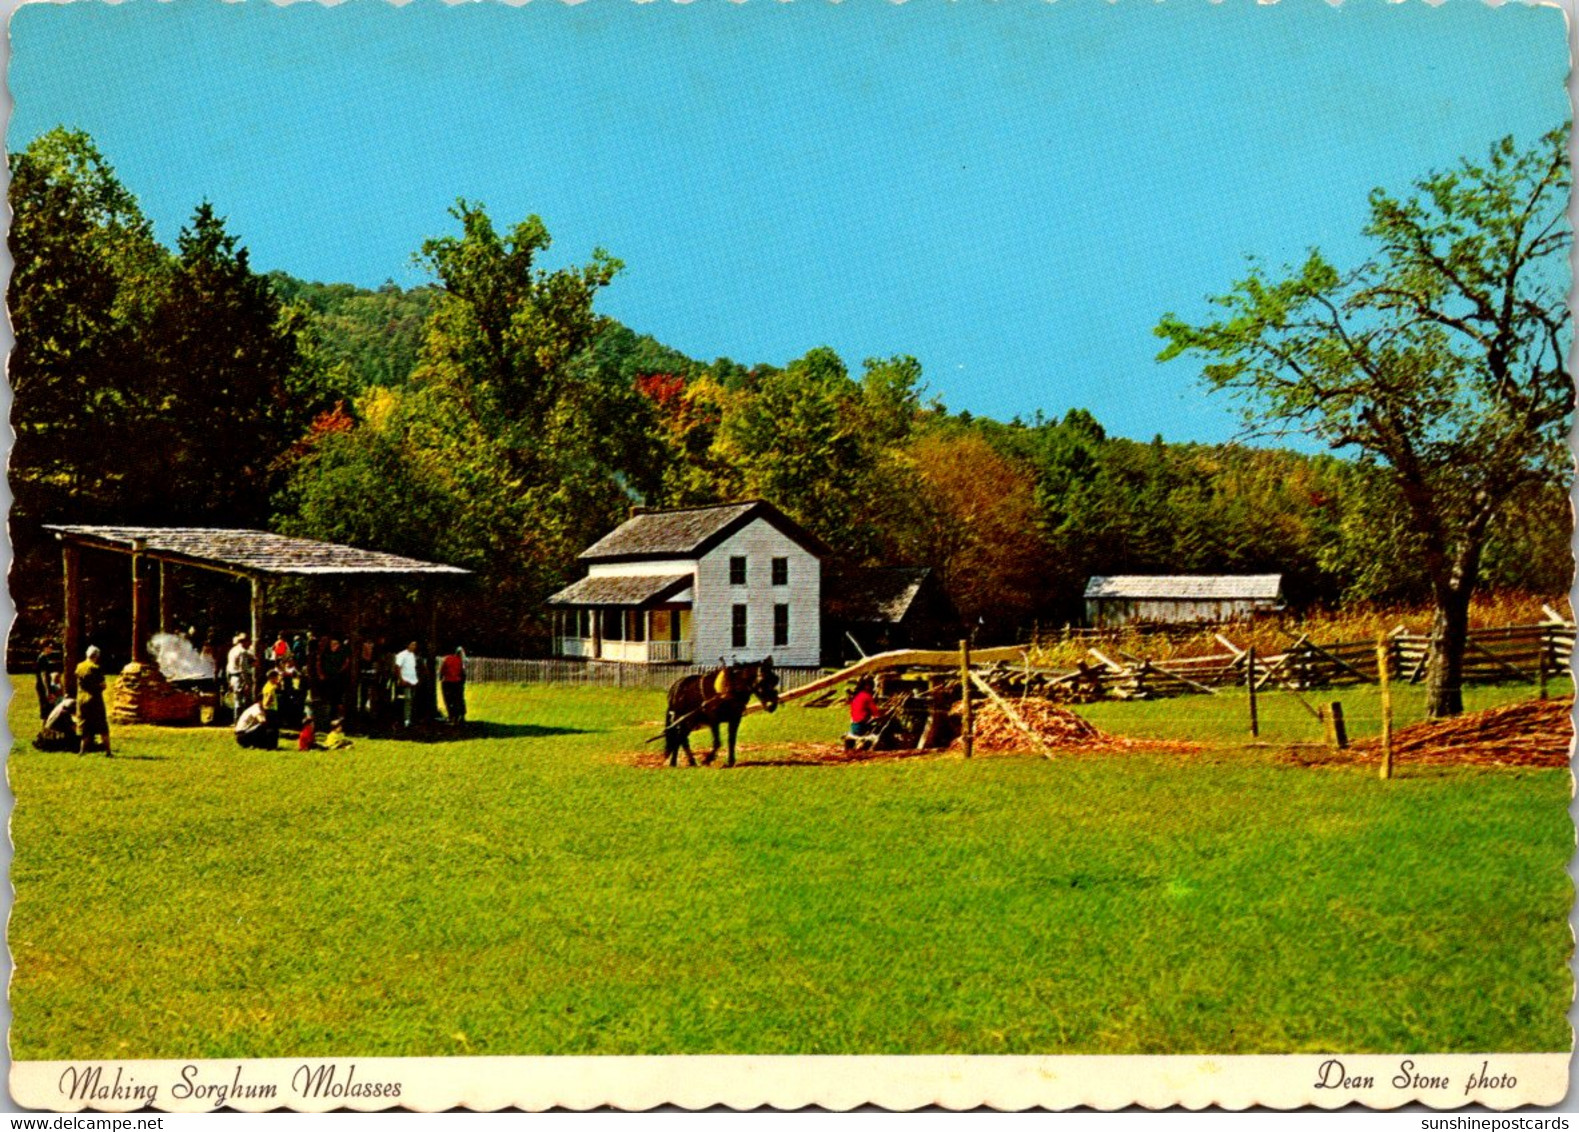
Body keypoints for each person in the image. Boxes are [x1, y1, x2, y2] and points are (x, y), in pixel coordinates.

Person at [75, 645, 111, 757]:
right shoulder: (95, 668)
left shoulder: (79, 666)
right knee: (102, 725)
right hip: (94, 699)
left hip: (82, 699)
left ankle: (82, 750)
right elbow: (103, 685)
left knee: (85, 725)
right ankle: (108, 751)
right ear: (96, 656)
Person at [227, 633, 256, 719]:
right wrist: (246, 682)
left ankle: (236, 720)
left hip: (233, 677)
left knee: (237, 700)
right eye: (249, 641)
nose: (250, 643)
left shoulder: (232, 650)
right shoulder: (242, 652)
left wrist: (229, 680)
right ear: (244, 642)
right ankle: (241, 720)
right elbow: (243, 668)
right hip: (241, 677)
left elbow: (228, 666)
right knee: (244, 700)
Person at [846, 676, 879, 748]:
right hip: (862, 725)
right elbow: (875, 712)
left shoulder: (857, 696)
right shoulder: (867, 696)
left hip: (854, 724)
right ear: (867, 686)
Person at [394, 640, 420, 727]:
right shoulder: (402, 655)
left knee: (412, 700)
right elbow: (398, 666)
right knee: (407, 699)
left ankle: (411, 718)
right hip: (405, 680)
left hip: (413, 680)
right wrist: (401, 679)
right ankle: (406, 720)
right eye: (412, 645)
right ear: (408, 645)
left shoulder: (413, 655)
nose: (414, 647)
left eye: (415, 645)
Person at [439, 646, 467, 726]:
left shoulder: (446, 659)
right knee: (458, 700)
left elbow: (442, 669)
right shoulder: (460, 660)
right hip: (457, 683)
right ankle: (460, 716)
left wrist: (441, 677)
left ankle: (452, 717)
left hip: (448, 682)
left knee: (449, 700)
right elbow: (462, 672)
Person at [35, 640, 62, 720]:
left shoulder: (45, 658)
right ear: (44, 648)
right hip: (43, 686)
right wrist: (47, 690)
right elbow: (43, 675)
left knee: (49, 707)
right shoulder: (42, 658)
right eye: (49, 647)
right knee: (46, 708)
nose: (51, 649)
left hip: (46, 685)